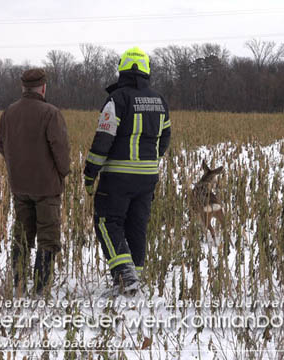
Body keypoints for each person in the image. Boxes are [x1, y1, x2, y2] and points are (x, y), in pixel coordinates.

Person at [84, 46, 171, 296]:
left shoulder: (117, 100)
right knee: (137, 225)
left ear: (122, 69)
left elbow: (103, 139)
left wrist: (90, 173)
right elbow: (165, 137)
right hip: (148, 177)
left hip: (118, 177)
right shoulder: (160, 101)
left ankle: (125, 276)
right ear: (146, 70)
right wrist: (151, 161)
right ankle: (135, 279)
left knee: (106, 221)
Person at [0, 68, 70, 295]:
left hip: (19, 186)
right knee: (48, 237)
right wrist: (62, 173)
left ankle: (18, 282)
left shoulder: (8, 113)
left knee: (21, 234)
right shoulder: (51, 113)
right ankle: (40, 286)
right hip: (46, 186)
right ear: (43, 87)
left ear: (23, 88)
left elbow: (1, 145)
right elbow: (61, 150)